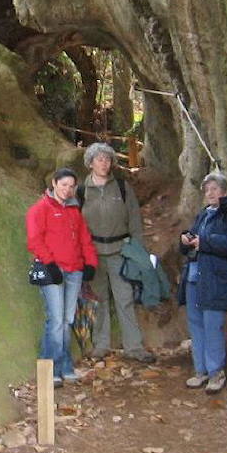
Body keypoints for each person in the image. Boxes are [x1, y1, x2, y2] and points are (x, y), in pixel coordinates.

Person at [78, 141, 155, 363]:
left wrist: (137, 251)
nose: (104, 163)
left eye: (108, 159)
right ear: (90, 163)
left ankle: (134, 347)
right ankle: (101, 345)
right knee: (99, 299)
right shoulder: (82, 191)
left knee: (125, 298)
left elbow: (134, 220)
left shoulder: (121, 187)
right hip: (93, 253)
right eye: (99, 159)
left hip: (120, 251)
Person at [177, 171, 227, 394]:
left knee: (212, 324)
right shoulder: (203, 214)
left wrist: (205, 241)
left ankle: (216, 371)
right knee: (196, 323)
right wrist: (186, 239)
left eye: (215, 189)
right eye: (207, 190)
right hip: (195, 276)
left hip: (216, 278)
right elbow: (193, 241)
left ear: (225, 192)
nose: (210, 193)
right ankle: (201, 370)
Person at [26, 167, 99, 387]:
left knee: (67, 321)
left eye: (71, 186)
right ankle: (51, 369)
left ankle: (65, 367)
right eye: (63, 184)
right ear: (54, 183)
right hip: (53, 271)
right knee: (56, 320)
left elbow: (84, 239)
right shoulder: (40, 209)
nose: (67, 189)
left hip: (74, 270)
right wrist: (49, 263)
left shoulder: (74, 211)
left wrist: (90, 263)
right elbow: (34, 240)